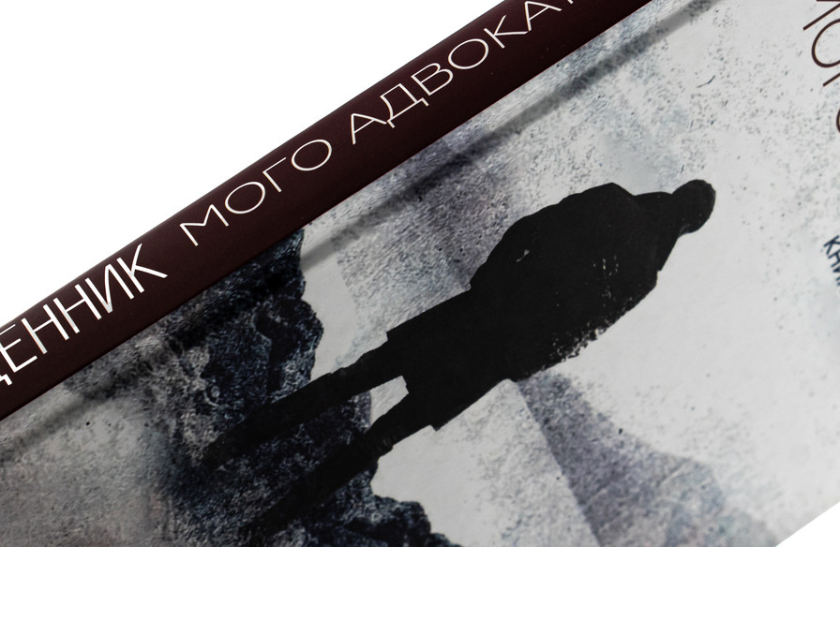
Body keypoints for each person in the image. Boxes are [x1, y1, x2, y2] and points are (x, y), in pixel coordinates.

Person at [207, 179, 717, 538]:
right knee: (382, 438)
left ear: (673, 193)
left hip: (479, 311)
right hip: (497, 355)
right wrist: (525, 364)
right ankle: (261, 528)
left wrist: (489, 279)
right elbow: (584, 334)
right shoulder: (644, 275)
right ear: (688, 227)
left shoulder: (613, 199)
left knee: (353, 378)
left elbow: (531, 227)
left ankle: (226, 448)